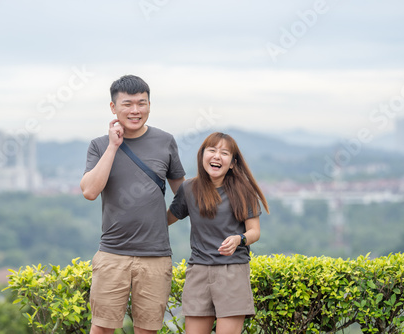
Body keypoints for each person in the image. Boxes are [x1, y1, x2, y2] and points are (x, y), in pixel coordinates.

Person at [80, 74, 186, 334]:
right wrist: (114, 147)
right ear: (113, 107)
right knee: (102, 328)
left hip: (156, 256)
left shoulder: (165, 141)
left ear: (150, 105)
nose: (136, 110)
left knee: (148, 330)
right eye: (127, 104)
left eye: (142, 103)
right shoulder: (99, 145)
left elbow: (183, 194)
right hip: (112, 253)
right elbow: (90, 191)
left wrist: (165, 219)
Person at [167, 132, 269, 334]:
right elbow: (166, 219)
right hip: (198, 271)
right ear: (202, 155)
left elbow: (254, 232)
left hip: (232, 271)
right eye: (211, 150)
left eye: (224, 153)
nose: (216, 156)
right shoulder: (189, 189)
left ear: (232, 163)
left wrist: (239, 239)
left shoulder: (243, 190)